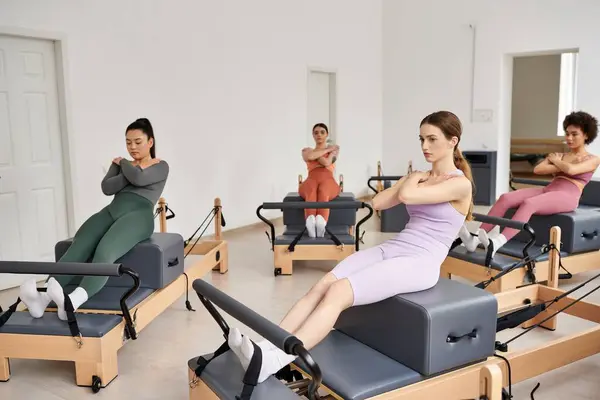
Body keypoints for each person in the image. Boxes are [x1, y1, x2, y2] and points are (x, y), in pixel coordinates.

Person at [227, 111, 474, 383]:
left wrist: (411, 179)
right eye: (421, 139)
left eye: (432, 139)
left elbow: (405, 195)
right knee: (320, 286)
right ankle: (263, 349)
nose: (425, 146)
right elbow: (379, 203)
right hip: (395, 248)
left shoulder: (459, 184)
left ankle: (273, 362)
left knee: (338, 293)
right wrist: (413, 178)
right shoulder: (421, 176)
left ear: (453, 141)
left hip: (421, 261)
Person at [19, 118, 169, 320]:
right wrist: (129, 169)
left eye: (137, 142)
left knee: (105, 251)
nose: (132, 147)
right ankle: (43, 299)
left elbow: (139, 179)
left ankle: (72, 302)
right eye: (128, 142)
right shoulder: (129, 167)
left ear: (150, 142)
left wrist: (122, 164)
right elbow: (107, 188)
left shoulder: (160, 166)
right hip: (112, 210)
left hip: (139, 216)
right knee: (79, 244)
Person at [459, 111, 600, 257]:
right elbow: (538, 169)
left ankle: (498, 242)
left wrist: (556, 162)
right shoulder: (563, 155)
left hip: (568, 196)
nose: (569, 138)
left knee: (529, 203)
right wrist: (562, 165)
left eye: (574, 134)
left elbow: (571, 170)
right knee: (505, 198)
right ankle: (474, 240)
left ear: (586, 135)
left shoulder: (592, 159)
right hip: (549, 189)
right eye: (567, 133)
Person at [299, 123, 340, 238]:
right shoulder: (306, 150)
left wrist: (315, 154)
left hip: (328, 181)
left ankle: (321, 221)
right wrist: (329, 149)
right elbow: (311, 157)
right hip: (311, 180)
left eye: (322, 132)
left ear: (327, 134)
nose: (319, 135)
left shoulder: (331, 153)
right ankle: (310, 221)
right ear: (312, 135)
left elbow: (326, 163)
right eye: (316, 133)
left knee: (323, 189)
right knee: (311, 188)